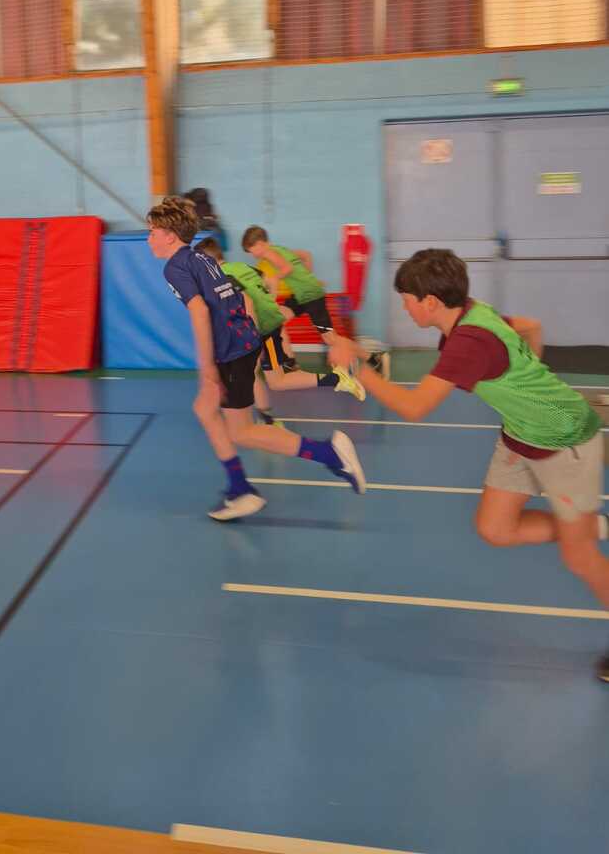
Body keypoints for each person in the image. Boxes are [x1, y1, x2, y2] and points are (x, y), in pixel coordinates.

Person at [325, 247, 609, 683]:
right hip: (521, 436)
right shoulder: (473, 314)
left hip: (565, 440)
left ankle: (582, 531)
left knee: (579, 557)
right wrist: (528, 378)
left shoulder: (468, 342)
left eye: (407, 300)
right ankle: (588, 524)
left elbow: (414, 407)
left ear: (430, 302)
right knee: (495, 528)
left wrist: (357, 370)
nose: (405, 307)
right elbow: (531, 327)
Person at [147, 197, 367, 521]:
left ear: (169, 235)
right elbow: (235, 298)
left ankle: (329, 453)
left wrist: (207, 367)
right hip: (245, 342)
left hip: (232, 351)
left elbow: (200, 312)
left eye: (152, 232)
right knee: (205, 409)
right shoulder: (201, 258)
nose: (149, 238)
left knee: (243, 432)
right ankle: (240, 488)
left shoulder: (175, 267)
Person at [193, 237, 366, 418]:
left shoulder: (221, 278)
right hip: (269, 323)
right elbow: (270, 280)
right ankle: (266, 415)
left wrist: (254, 334)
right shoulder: (241, 266)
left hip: (263, 329)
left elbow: (248, 301)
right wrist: (270, 302)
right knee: (265, 376)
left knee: (274, 380)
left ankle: (334, 380)